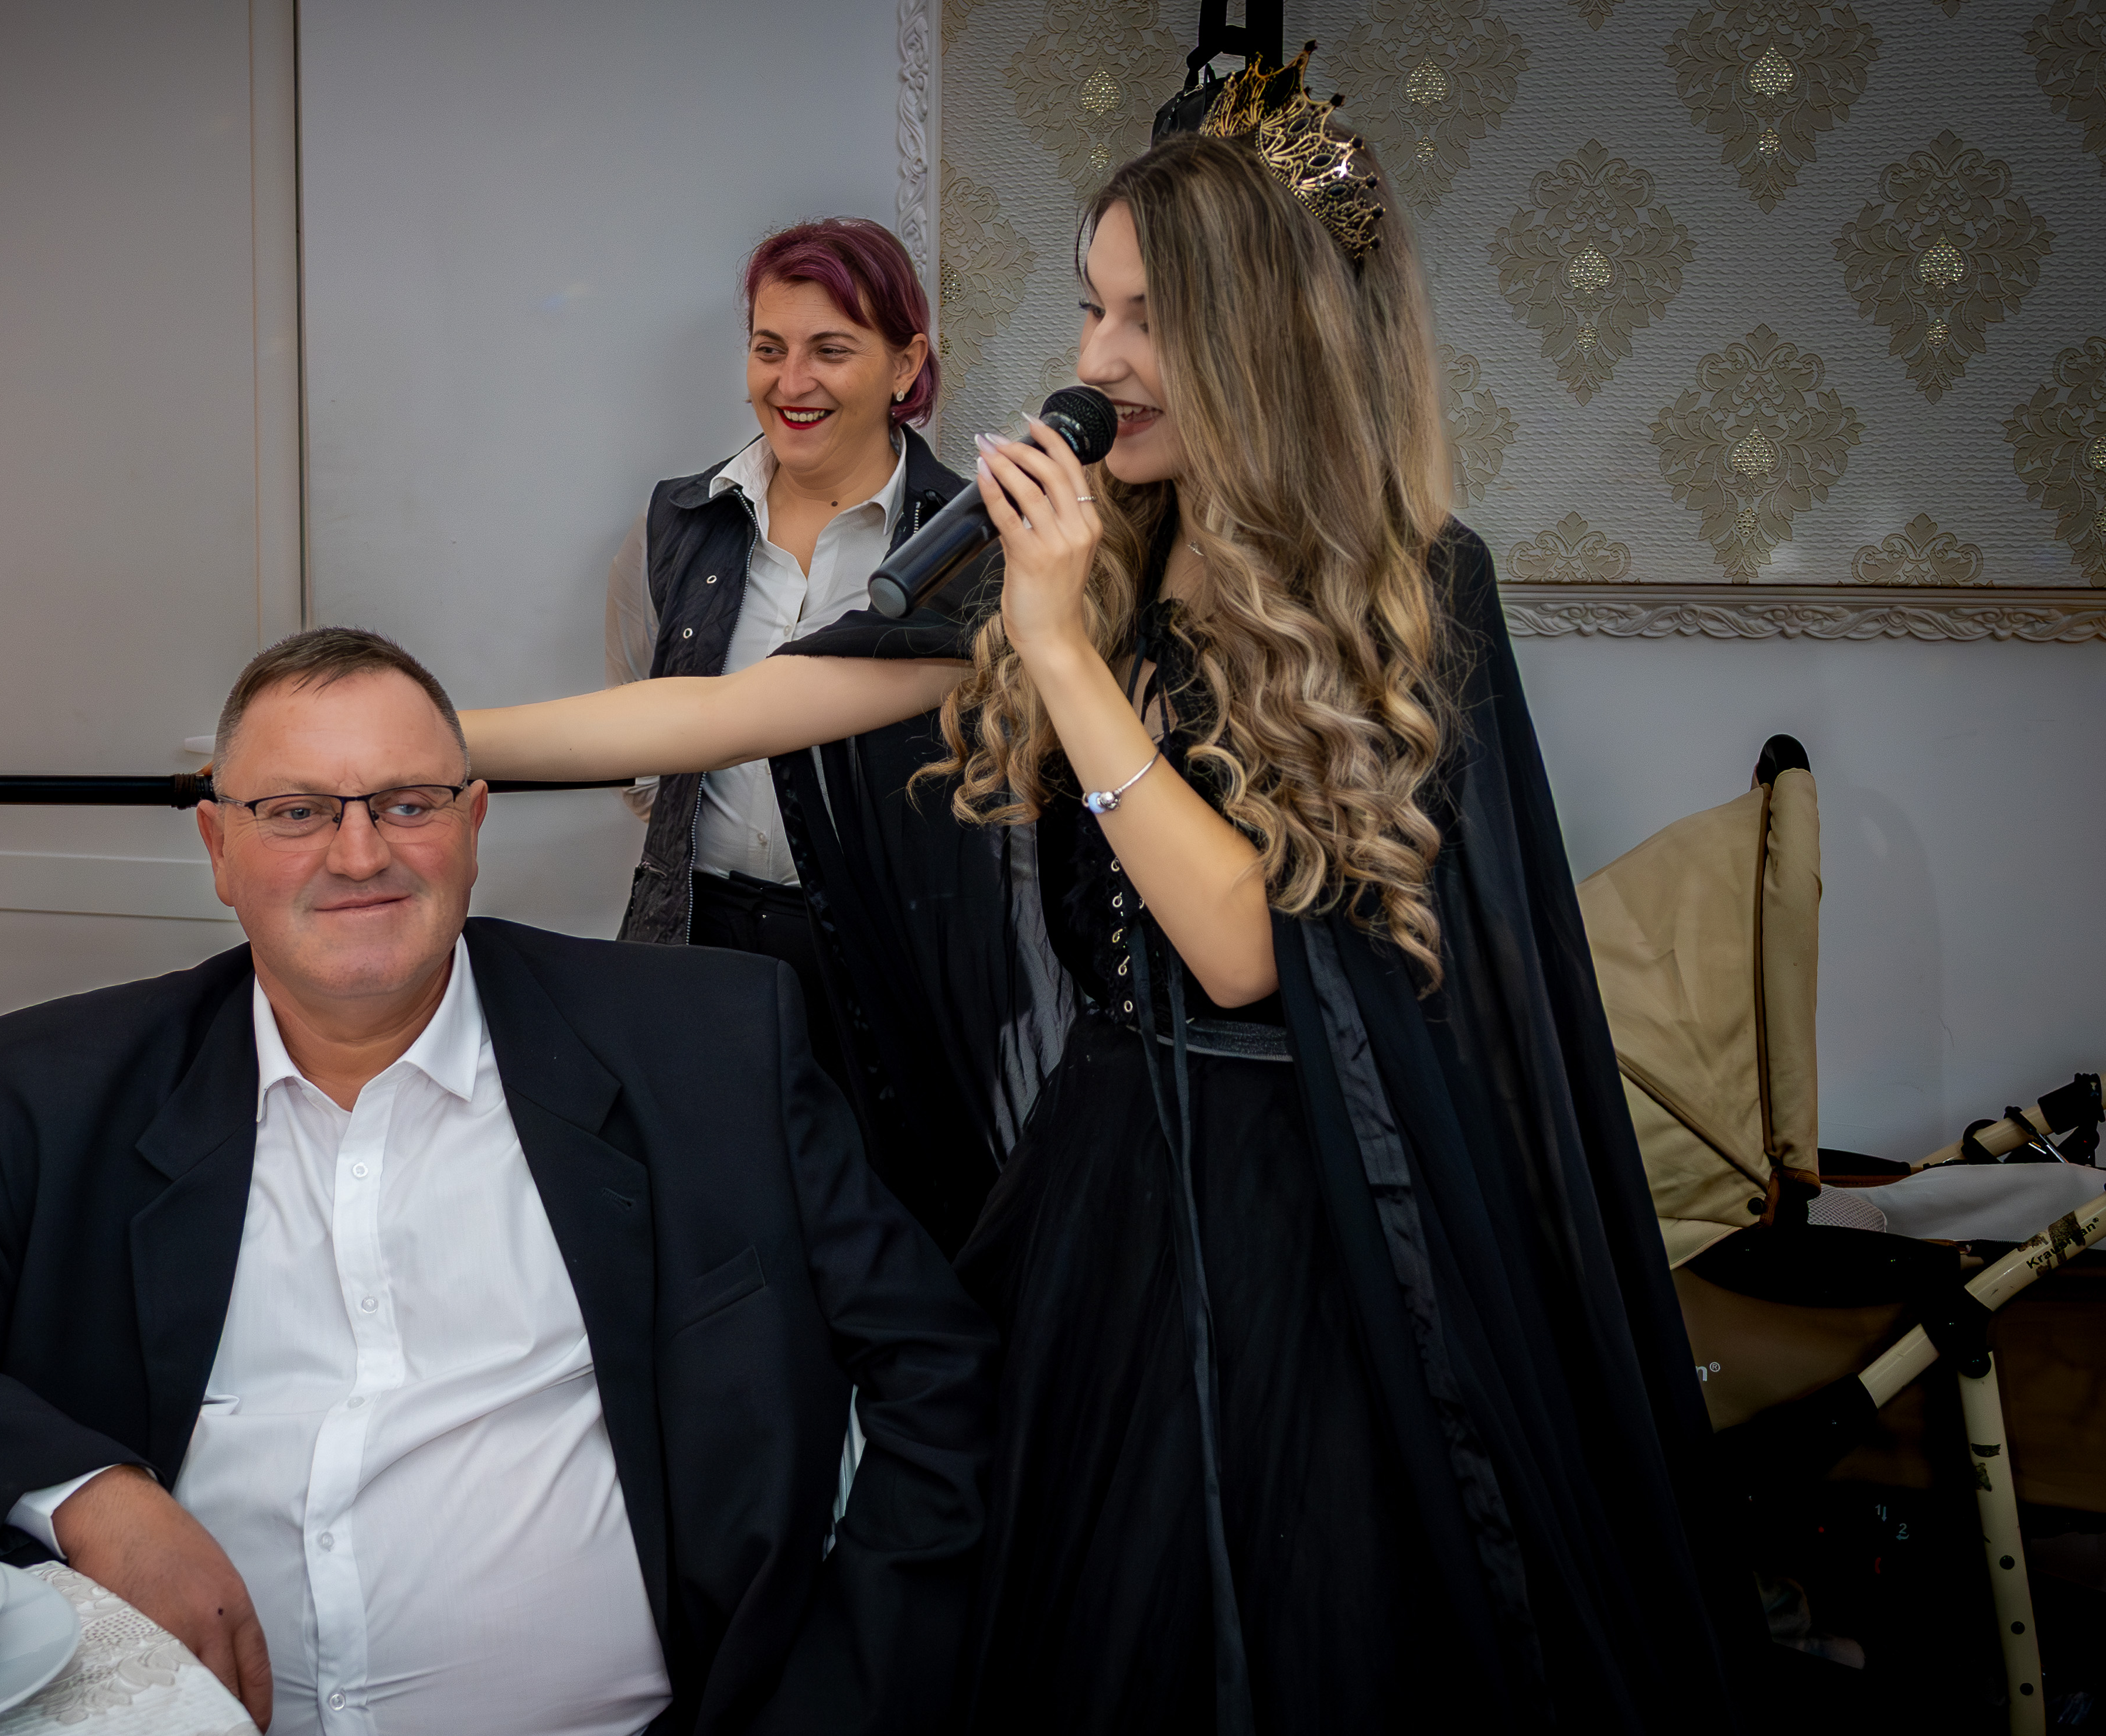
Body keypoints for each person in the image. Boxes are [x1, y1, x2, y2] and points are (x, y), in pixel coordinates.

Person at [459, 57, 1746, 1732]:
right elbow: (737, 707)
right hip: (1110, 1162)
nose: (1097, 360)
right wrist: (419, 744)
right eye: (1090, 308)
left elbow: (1242, 950)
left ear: (1261, 338)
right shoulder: (1104, 552)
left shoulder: (1410, 586)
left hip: (1310, 1208)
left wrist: (1062, 651)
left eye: (1147, 319)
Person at [0, 627, 995, 1736]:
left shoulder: (703, 1050)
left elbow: (937, 1380)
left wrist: (837, 1708)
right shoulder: (56, 1092)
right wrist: (96, 1500)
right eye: (295, 812)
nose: (358, 854)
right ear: (218, 845)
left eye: (406, 803)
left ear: (474, 824)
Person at [602, 217, 1001, 1250]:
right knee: (706, 1232)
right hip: (701, 940)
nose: (792, 382)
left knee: (894, 1233)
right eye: (768, 347)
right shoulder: (677, 524)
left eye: (831, 349)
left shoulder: (972, 542)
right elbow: (643, 737)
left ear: (904, 364)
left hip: (889, 953)